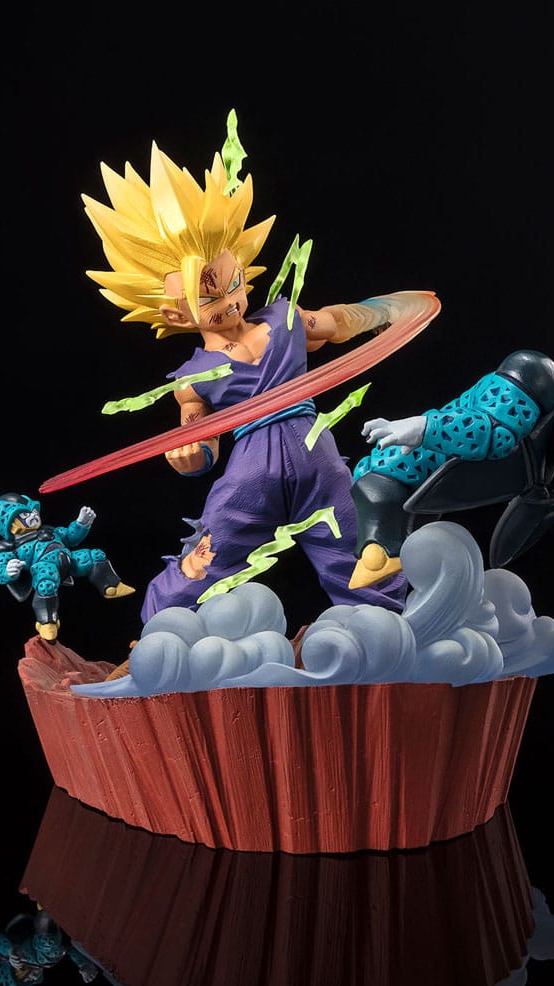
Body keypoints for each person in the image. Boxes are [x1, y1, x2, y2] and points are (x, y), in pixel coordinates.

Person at [82, 110, 407, 622]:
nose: (229, 301)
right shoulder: (193, 375)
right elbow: (201, 438)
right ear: (177, 315)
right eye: (209, 298)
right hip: (250, 477)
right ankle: (160, 634)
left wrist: (393, 311)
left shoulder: (284, 319)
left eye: (232, 282)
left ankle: (392, 632)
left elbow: (338, 322)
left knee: (363, 554)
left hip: (318, 460)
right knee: (204, 561)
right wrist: (190, 454)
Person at [348, 350, 554, 587]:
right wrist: (424, 428)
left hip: (422, 491)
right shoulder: (533, 375)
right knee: (381, 544)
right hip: (396, 471)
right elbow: (491, 430)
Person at [0, 492, 135, 641]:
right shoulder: (13, 549)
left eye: (33, 511)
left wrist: (81, 523)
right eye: (26, 515)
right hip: (45, 567)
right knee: (45, 583)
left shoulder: (51, 531)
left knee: (94, 555)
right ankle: (46, 622)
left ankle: (111, 586)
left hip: (69, 559)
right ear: (11, 523)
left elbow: (71, 537)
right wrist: (8, 572)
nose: (33, 516)